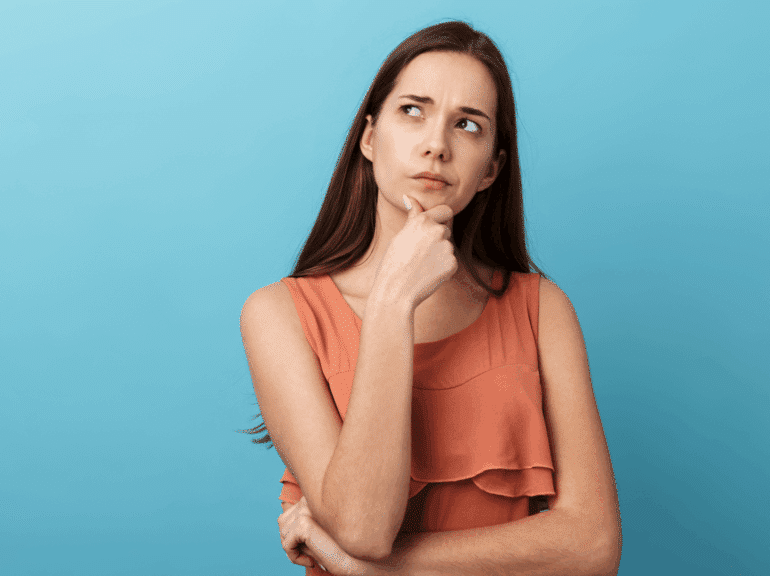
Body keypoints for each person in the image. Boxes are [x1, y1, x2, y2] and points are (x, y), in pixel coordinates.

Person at [239, 21, 622, 575]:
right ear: (370, 138)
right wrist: (394, 301)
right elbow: (364, 528)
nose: (436, 145)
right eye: (413, 111)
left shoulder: (543, 310)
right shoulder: (278, 315)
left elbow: (593, 545)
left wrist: (370, 571)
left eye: (467, 125)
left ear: (491, 169)